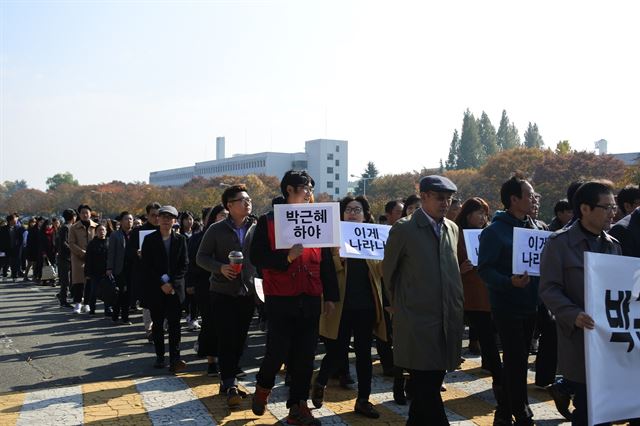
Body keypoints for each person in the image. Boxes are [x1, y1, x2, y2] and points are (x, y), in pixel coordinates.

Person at [250, 170, 339, 426]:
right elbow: (256, 257)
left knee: (305, 356)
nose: (310, 192)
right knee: (276, 352)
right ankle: (263, 388)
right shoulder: (268, 221)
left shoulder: (317, 217)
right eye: (305, 188)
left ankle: (297, 407)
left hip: (310, 295)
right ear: (289, 190)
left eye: (311, 188)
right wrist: (285, 258)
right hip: (280, 296)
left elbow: (325, 262)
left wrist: (330, 295)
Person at [382, 175, 464, 425]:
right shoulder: (404, 229)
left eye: (449, 199)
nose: (445, 204)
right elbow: (388, 272)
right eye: (440, 198)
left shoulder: (452, 228)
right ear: (424, 196)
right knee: (426, 389)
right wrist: (396, 306)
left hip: (446, 319)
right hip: (417, 320)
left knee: (427, 390)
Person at [539, 180, 622, 425]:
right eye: (606, 207)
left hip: (609, 339)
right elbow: (548, 289)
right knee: (587, 408)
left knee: (605, 406)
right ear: (585, 209)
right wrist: (572, 314)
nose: (612, 213)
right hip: (578, 336)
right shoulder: (559, 243)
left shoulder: (613, 245)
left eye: (614, 207)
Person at [313, 195, 387, 419]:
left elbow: (382, 272)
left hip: (366, 305)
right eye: (348, 210)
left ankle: (363, 399)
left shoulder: (373, 237)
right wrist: (339, 259)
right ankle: (321, 381)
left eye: (357, 210)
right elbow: (326, 271)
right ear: (341, 214)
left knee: (364, 354)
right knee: (336, 351)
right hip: (341, 305)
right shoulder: (333, 238)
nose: (353, 213)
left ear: (365, 215)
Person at [477, 174, 543, 425]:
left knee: (520, 360)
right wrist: (509, 281)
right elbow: (485, 270)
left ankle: (503, 411)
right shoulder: (494, 232)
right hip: (507, 306)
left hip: (532, 305)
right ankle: (521, 411)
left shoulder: (537, 229)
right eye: (529, 194)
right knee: (515, 361)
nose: (533, 198)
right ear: (514, 199)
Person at [197, 185, 257, 408]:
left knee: (240, 338)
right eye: (242, 200)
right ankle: (230, 382)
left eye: (249, 199)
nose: (247, 203)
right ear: (229, 206)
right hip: (222, 292)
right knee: (226, 337)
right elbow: (201, 257)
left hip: (247, 292)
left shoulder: (256, 227)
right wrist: (220, 268)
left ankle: (227, 377)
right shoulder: (216, 229)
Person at [455, 197, 510, 424]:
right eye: (479, 213)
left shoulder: (489, 234)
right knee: (486, 338)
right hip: (468, 295)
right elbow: (446, 264)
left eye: (485, 214)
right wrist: (460, 268)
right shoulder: (456, 234)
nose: (483, 218)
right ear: (468, 215)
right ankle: (499, 380)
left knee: (492, 338)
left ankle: (498, 376)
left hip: (490, 294)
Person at [141, 205, 189, 373]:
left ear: (174, 220)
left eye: (170, 217)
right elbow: (147, 265)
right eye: (163, 217)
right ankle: (160, 356)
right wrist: (163, 283)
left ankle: (175, 357)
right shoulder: (149, 239)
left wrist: (173, 283)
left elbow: (184, 265)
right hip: (157, 289)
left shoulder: (181, 239)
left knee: (175, 324)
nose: (166, 220)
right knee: (158, 324)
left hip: (175, 290)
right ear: (157, 219)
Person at [188, 205, 227, 377]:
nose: (225, 217)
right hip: (205, 285)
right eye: (221, 214)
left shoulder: (235, 235)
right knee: (210, 324)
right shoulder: (199, 238)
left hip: (229, 286)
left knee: (227, 326)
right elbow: (192, 262)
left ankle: (228, 362)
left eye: (227, 214)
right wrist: (190, 284)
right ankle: (211, 361)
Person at [128, 202, 161, 341]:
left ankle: (160, 327)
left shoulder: (165, 230)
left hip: (162, 273)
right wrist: (137, 253)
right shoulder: (138, 232)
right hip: (144, 273)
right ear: (147, 215)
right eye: (153, 215)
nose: (156, 218)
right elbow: (129, 251)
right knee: (147, 304)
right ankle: (149, 330)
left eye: (159, 215)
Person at [108, 211, 134, 323]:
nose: (129, 221)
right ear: (121, 221)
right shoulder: (115, 235)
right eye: (126, 219)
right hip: (120, 268)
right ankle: (116, 315)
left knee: (128, 294)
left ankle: (124, 317)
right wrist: (109, 268)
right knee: (120, 293)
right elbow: (111, 252)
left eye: (131, 219)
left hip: (132, 268)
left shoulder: (135, 234)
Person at [84, 224, 109, 315]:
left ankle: (107, 309)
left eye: (103, 230)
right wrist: (87, 273)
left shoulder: (109, 242)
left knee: (108, 291)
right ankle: (92, 308)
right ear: (96, 232)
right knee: (94, 291)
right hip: (94, 271)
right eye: (99, 230)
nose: (101, 232)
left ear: (106, 231)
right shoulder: (92, 244)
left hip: (107, 270)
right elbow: (88, 259)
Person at [56, 209, 76, 308]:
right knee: (65, 281)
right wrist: (73, 249)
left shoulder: (69, 227)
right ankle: (63, 300)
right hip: (65, 258)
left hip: (68, 257)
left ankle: (63, 296)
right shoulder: (65, 227)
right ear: (73, 217)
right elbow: (63, 242)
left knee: (69, 280)